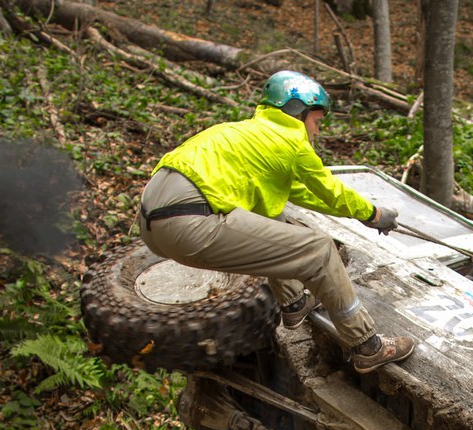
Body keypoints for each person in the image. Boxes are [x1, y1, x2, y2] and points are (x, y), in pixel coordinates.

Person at [137, 70, 416, 373]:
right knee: (320, 250)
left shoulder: (246, 134)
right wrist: (373, 215)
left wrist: (360, 215)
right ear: (299, 112)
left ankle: (294, 303)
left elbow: (302, 195)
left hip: (150, 222)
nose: (317, 132)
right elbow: (330, 192)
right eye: (317, 122)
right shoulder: (291, 140)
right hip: (188, 222)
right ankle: (367, 346)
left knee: (271, 215)